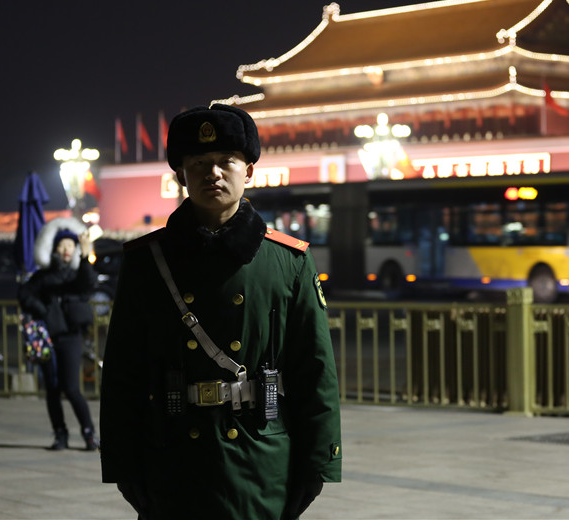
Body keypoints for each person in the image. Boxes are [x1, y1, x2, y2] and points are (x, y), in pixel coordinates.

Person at [100, 103, 342, 520]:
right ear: (181, 175)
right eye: (198, 163)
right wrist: (123, 465)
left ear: (249, 171)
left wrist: (318, 465)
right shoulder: (148, 261)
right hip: (172, 459)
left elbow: (315, 371)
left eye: (226, 160)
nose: (212, 172)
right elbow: (123, 373)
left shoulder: (288, 261)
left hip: (260, 459)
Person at [18, 216, 100, 451]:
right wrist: (43, 310)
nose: (66, 250)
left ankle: (89, 433)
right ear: (53, 248)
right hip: (47, 338)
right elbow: (24, 295)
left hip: (71, 337)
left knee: (72, 388)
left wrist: (85, 256)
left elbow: (88, 283)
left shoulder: (77, 273)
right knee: (52, 390)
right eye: (62, 245)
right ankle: (60, 435)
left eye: (71, 246)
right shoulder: (42, 276)